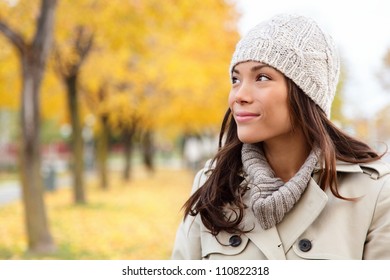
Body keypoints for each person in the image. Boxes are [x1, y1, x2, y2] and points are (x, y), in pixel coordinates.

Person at [171, 13, 390, 260]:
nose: (238, 95)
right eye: (235, 79)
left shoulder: (374, 193)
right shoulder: (213, 184)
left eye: (262, 77)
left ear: (305, 93)